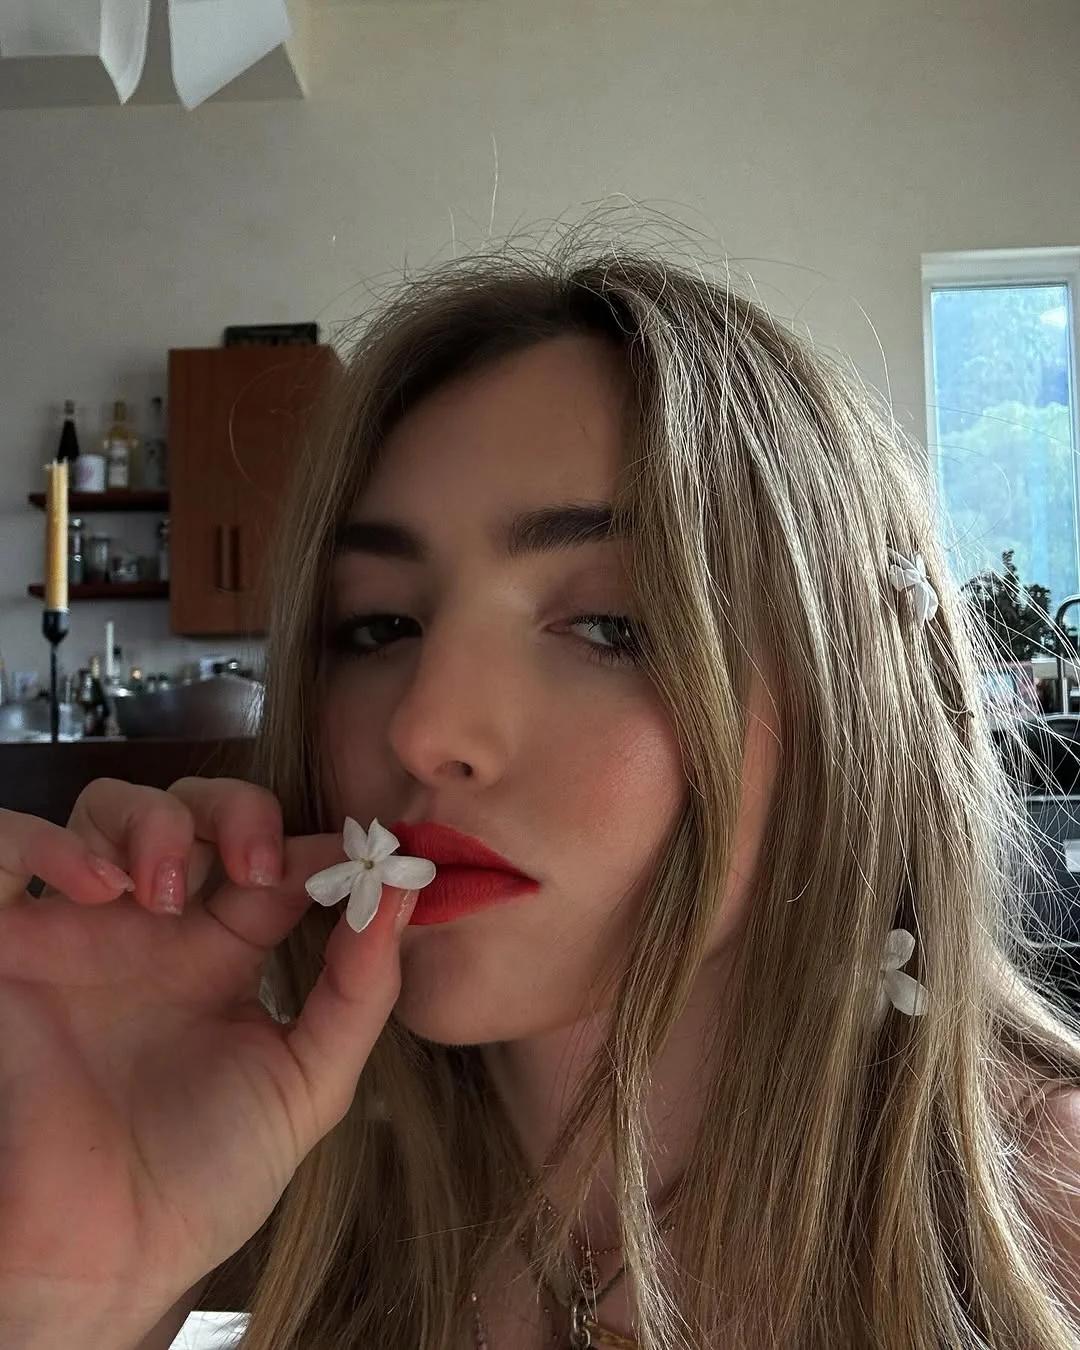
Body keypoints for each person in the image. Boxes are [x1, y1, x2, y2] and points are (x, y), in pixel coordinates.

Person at [4, 236, 1080, 1350]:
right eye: (378, 626)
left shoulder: (1040, 1221)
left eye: (611, 626)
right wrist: (65, 1299)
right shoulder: (269, 1198)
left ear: (845, 702)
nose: (423, 730)